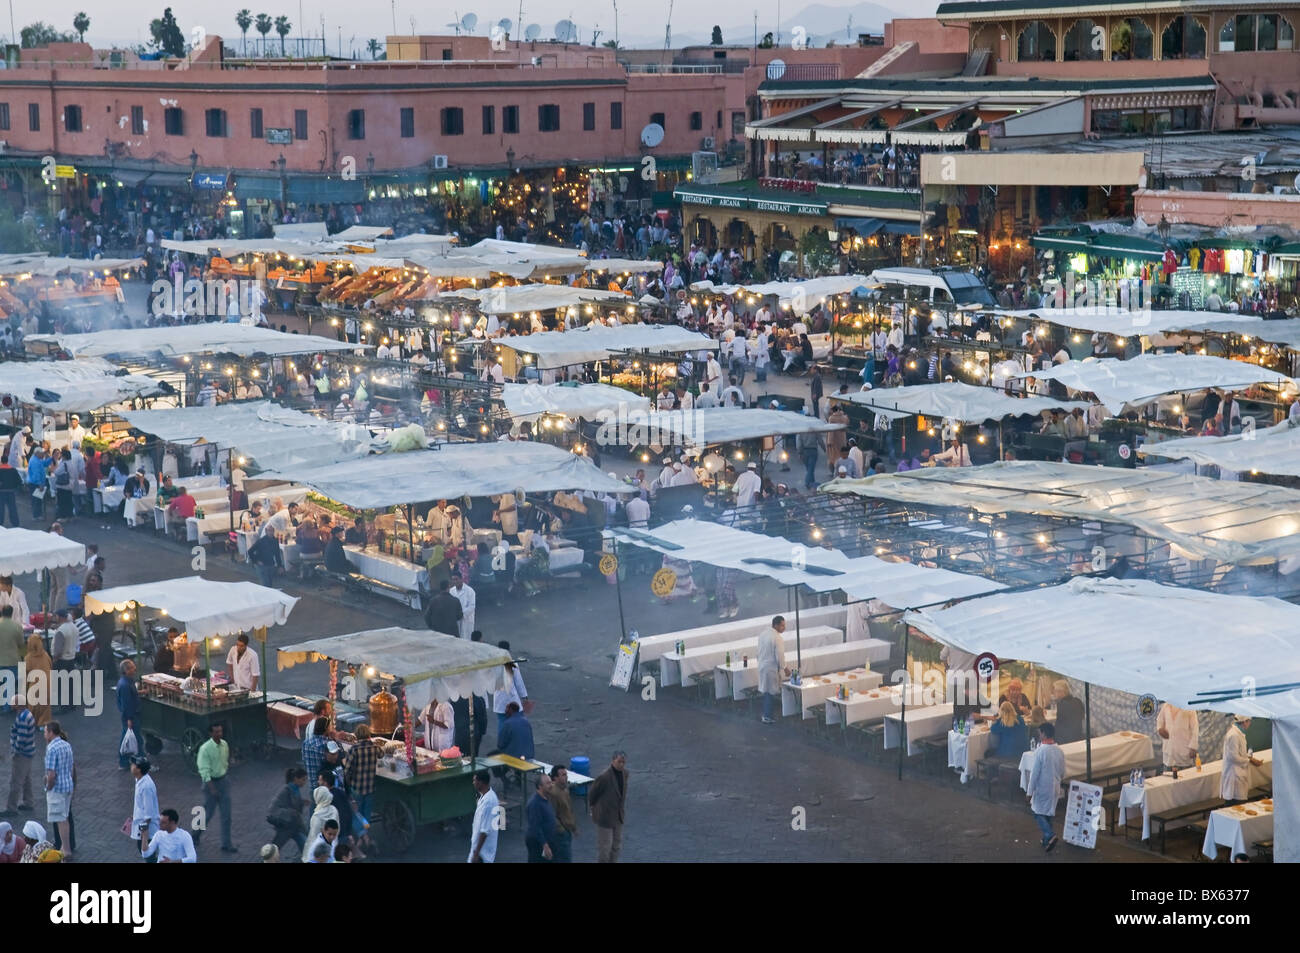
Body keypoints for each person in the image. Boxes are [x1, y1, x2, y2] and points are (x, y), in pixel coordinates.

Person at [195, 722, 236, 853]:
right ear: (210, 733)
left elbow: (225, 761)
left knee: (226, 815)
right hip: (210, 784)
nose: (219, 734)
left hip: (223, 781)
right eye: (216, 732)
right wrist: (212, 788)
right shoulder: (205, 749)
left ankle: (226, 844)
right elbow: (204, 770)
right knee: (207, 814)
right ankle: (195, 835)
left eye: (220, 731)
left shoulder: (225, 745)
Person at [1026, 721, 1066, 852]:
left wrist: (1029, 792)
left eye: (1039, 733)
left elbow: (1034, 774)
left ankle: (1050, 834)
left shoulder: (1040, 751)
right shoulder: (1059, 751)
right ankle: (1046, 840)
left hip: (1043, 787)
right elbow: (1063, 771)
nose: (1038, 735)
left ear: (1043, 734)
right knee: (1048, 813)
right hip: (1055, 787)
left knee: (1038, 813)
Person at [588, 750, 628, 863]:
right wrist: (593, 808)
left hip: (618, 817)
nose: (621, 764)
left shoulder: (625, 773)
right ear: (613, 760)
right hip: (605, 818)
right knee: (605, 849)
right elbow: (593, 794)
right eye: (619, 761)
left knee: (616, 846)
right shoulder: (604, 776)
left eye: (623, 762)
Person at [43, 721, 75, 859]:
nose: (44, 734)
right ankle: (64, 846)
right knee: (65, 818)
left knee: (60, 819)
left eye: (45, 731)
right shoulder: (66, 744)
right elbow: (71, 767)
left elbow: (51, 775)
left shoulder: (51, 748)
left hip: (57, 788)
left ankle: (66, 849)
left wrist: (47, 788)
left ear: (51, 732)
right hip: (68, 786)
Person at [266, 767, 309, 857]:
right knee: (276, 846)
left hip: (290, 822)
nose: (304, 782)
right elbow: (293, 808)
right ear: (296, 779)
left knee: (304, 843)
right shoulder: (289, 789)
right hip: (286, 823)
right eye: (303, 780)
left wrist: (302, 802)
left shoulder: (293, 788)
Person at [1220, 715, 1261, 806]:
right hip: (1234, 775)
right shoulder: (1234, 735)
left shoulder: (1238, 734)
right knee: (1233, 805)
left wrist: (1249, 758)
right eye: (1249, 721)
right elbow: (1233, 757)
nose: (1250, 724)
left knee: (1238, 803)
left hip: (1237, 774)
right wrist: (1249, 760)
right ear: (1244, 722)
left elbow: (1239, 753)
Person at [4, 700, 36, 814]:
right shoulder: (27, 714)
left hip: (22, 754)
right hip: (29, 752)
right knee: (27, 779)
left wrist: (15, 751)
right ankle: (28, 802)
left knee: (15, 781)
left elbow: (21, 738)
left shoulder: (22, 718)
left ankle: (11, 808)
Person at [756, 615, 789, 724]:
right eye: (782, 625)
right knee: (770, 692)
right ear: (776, 625)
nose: (784, 628)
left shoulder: (763, 634)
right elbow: (780, 655)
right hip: (770, 667)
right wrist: (784, 667)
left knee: (767, 691)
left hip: (762, 665)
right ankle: (767, 715)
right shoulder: (777, 638)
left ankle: (767, 713)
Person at [524, 773, 559, 863]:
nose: (551, 785)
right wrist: (545, 845)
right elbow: (535, 827)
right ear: (540, 786)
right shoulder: (535, 804)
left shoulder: (545, 798)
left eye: (551, 782)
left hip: (547, 841)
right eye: (547, 783)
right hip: (538, 844)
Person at [129, 756, 160, 855]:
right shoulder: (139, 779)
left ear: (138, 769)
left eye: (134, 765)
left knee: (147, 853)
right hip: (141, 824)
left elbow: (148, 812)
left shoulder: (146, 786)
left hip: (146, 829)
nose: (131, 766)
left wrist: (144, 833)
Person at [1156, 701, 1199, 771]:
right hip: (1169, 750)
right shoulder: (1166, 706)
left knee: (1185, 778)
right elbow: (1159, 720)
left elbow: (1195, 728)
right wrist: (1160, 729)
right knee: (1168, 779)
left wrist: (1193, 747)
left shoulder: (1189, 707)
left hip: (1183, 750)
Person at [469, 769, 500, 863]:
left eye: (475, 780)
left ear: (480, 783)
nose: (473, 783)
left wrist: (476, 853)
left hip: (482, 854)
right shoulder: (486, 796)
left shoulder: (488, 803)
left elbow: (485, 831)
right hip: (480, 850)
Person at [549, 764, 578, 863]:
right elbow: (552, 815)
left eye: (566, 774)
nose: (566, 777)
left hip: (567, 831)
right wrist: (561, 830)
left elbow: (568, 810)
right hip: (560, 834)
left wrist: (573, 828)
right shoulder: (553, 793)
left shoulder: (565, 790)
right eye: (563, 775)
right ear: (555, 778)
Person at [116, 659, 142, 769]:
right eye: (132, 667)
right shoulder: (125, 685)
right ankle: (140, 762)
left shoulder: (126, 681)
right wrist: (129, 719)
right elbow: (127, 704)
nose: (134, 669)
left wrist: (140, 692)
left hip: (129, 716)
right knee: (135, 740)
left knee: (128, 739)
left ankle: (124, 761)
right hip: (130, 716)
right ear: (126, 670)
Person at [494, 656, 529, 736]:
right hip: (512, 699)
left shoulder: (494, 664)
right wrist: (524, 696)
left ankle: (502, 743)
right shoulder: (513, 664)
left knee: (502, 722)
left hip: (499, 700)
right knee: (518, 721)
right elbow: (518, 681)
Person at [1052, 680, 1085, 745]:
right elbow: (1082, 717)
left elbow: (1059, 725)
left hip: (1065, 740)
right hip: (1078, 736)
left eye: (1055, 691)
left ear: (1061, 692)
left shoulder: (1061, 704)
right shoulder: (1078, 701)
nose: (1053, 693)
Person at [450, 574, 476, 639]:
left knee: (467, 638)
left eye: (456, 579)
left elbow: (472, 606)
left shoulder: (470, 591)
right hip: (456, 619)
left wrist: (462, 614)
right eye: (453, 580)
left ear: (461, 579)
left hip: (466, 619)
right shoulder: (451, 591)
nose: (455, 581)